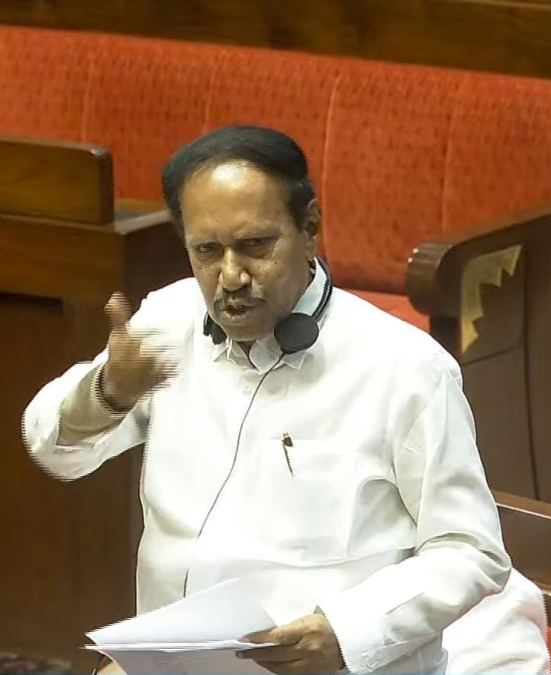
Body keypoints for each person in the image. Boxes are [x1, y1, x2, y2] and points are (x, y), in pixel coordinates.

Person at [21, 125, 519, 675]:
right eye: (207, 251)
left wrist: (346, 633)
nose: (231, 277)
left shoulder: (405, 367)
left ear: (310, 229)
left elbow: (471, 550)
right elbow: (53, 450)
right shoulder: (167, 322)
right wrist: (106, 394)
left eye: (256, 246)